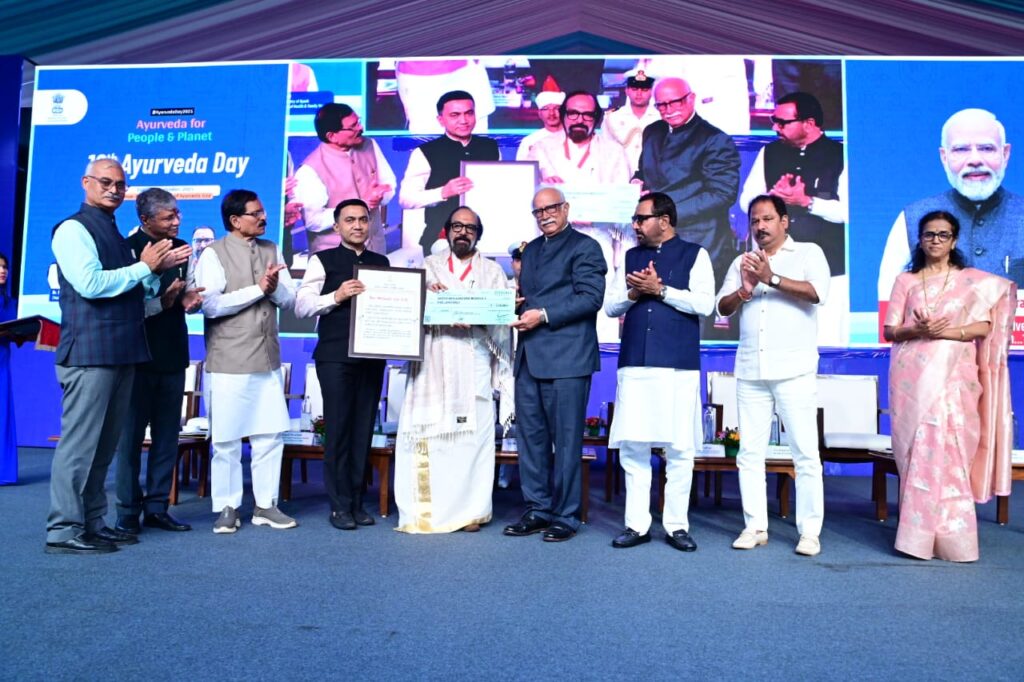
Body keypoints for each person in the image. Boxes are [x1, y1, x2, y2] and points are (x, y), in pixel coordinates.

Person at [46, 159, 190, 554]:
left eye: (120, 185)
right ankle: (63, 529)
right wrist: (145, 267)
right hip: (89, 353)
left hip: (123, 353)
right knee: (79, 448)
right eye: (106, 182)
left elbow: (130, 300)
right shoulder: (73, 229)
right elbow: (91, 285)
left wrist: (158, 290)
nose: (114, 189)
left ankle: (92, 522)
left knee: (103, 449)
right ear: (86, 182)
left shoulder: (110, 228)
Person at [883, 211, 1016, 562]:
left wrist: (951, 332)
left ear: (954, 240)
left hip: (956, 377)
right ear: (920, 239)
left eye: (943, 235)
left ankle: (955, 539)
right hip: (913, 377)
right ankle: (915, 538)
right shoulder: (906, 281)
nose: (936, 241)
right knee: (921, 449)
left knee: (952, 448)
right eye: (929, 234)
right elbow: (890, 330)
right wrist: (918, 330)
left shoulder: (971, 281)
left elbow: (984, 326)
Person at [715, 195, 830, 557]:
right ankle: (755, 527)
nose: (760, 227)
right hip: (751, 368)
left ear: (784, 221)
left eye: (767, 219)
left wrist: (772, 278)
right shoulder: (741, 261)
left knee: (805, 454)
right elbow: (722, 308)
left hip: (794, 369)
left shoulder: (809, 253)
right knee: (749, 453)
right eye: (754, 221)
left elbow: (817, 293)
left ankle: (809, 532)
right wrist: (744, 290)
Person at [605, 192, 714, 551]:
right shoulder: (630, 257)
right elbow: (610, 307)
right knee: (633, 447)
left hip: (678, 365)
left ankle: (677, 525)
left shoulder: (695, 254)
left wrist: (661, 290)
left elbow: (705, 304)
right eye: (635, 219)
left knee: (680, 449)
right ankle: (636, 525)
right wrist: (635, 294)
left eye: (641, 218)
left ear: (664, 221)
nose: (635, 225)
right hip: (636, 362)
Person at [394, 206, 514, 533]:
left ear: (478, 234)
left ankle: (470, 512)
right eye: (457, 226)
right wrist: (432, 302)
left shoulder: (492, 272)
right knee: (432, 435)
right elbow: (408, 307)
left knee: (472, 439)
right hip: (433, 359)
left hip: (474, 359)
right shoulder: (427, 267)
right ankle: (426, 512)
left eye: (470, 228)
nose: (463, 232)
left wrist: (486, 314)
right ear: (447, 231)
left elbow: (501, 321)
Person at [503, 187, 606, 542]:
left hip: (568, 359)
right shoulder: (531, 250)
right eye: (538, 211)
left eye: (551, 208)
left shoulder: (586, 247)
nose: (545, 215)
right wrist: (512, 305)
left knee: (566, 442)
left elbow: (591, 298)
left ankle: (566, 514)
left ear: (566, 208)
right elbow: (529, 299)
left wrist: (543, 314)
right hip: (529, 357)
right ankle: (537, 509)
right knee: (530, 440)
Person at [195, 189, 297, 534]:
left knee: (270, 436)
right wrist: (258, 289)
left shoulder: (271, 248)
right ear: (235, 220)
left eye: (263, 211)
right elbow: (211, 306)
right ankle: (227, 507)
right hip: (228, 360)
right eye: (256, 213)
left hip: (267, 359)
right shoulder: (213, 253)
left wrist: (273, 287)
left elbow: (289, 300)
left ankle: (266, 505)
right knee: (226, 441)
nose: (264, 218)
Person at [294, 198, 389, 530]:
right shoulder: (321, 260)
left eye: (363, 219)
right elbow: (302, 307)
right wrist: (337, 296)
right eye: (350, 220)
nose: (358, 225)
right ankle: (339, 506)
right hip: (335, 357)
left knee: (363, 430)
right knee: (338, 430)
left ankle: (356, 502)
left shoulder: (382, 262)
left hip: (372, 356)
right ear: (336, 226)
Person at [114, 189, 203, 535]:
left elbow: (186, 289)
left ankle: (157, 508)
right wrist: (162, 302)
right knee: (130, 439)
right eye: (168, 217)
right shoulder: (125, 250)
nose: (177, 221)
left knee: (167, 438)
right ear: (145, 219)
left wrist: (188, 298)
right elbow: (123, 306)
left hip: (172, 354)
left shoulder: (181, 248)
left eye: (177, 214)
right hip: (135, 357)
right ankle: (126, 511)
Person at [878, 108, 1024, 304]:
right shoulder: (912, 219)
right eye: (961, 149)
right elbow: (888, 305)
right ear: (944, 157)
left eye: (986, 148)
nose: (975, 160)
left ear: (1005, 154)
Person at [739, 92, 848, 345]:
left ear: (809, 124)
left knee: (827, 340)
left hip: (831, 269)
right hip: (775, 269)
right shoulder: (769, 152)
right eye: (774, 122)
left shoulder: (841, 155)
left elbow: (847, 212)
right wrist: (773, 198)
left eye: (782, 122)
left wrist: (807, 202)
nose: (775, 128)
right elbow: (746, 201)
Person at [634, 76, 741, 335]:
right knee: (654, 315)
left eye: (675, 102)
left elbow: (722, 193)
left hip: (699, 240)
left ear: (691, 99)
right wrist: (636, 181)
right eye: (661, 105)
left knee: (692, 322)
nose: (668, 110)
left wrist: (666, 215)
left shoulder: (715, 139)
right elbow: (644, 172)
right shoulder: (652, 131)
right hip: (654, 240)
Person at [533, 90, 632, 341]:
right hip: (550, 243)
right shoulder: (541, 149)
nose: (580, 120)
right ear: (563, 116)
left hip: (597, 237)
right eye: (573, 113)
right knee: (552, 306)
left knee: (599, 310)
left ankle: (602, 360)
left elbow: (622, 203)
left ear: (596, 118)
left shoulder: (614, 152)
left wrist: (597, 212)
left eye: (587, 115)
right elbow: (526, 195)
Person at [398, 90, 500, 256]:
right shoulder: (425, 152)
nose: (464, 120)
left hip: (483, 239)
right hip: (440, 238)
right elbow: (406, 199)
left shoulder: (490, 147)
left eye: (469, 113)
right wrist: (443, 192)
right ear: (441, 120)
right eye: (455, 115)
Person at [293, 103, 396, 254]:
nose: (360, 128)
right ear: (332, 136)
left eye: (358, 122)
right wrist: (360, 205)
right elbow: (314, 221)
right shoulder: (310, 170)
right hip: (335, 257)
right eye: (353, 126)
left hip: (375, 251)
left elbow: (388, 183)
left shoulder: (370, 145)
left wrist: (381, 196)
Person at [603, 71, 660, 174]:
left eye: (644, 89)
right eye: (634, 89)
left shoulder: (661, 118)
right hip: (619, 174)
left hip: (652, 175)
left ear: (652, 92)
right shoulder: (612, 117)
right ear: (627, 91)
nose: (639, 94)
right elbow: (605, 150)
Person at [0, 253, 17, 485]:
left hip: (2, 360)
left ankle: (3, 472)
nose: (2, 271)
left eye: (4, 267)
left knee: (2, 413)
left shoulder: (10, 301)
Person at [515, 90, 565, 161]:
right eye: (546, 109)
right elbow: (522, 166)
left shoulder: (574, 138)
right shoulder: (530, 141)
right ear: (540, 113)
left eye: (556, 108)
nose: (551, 113)